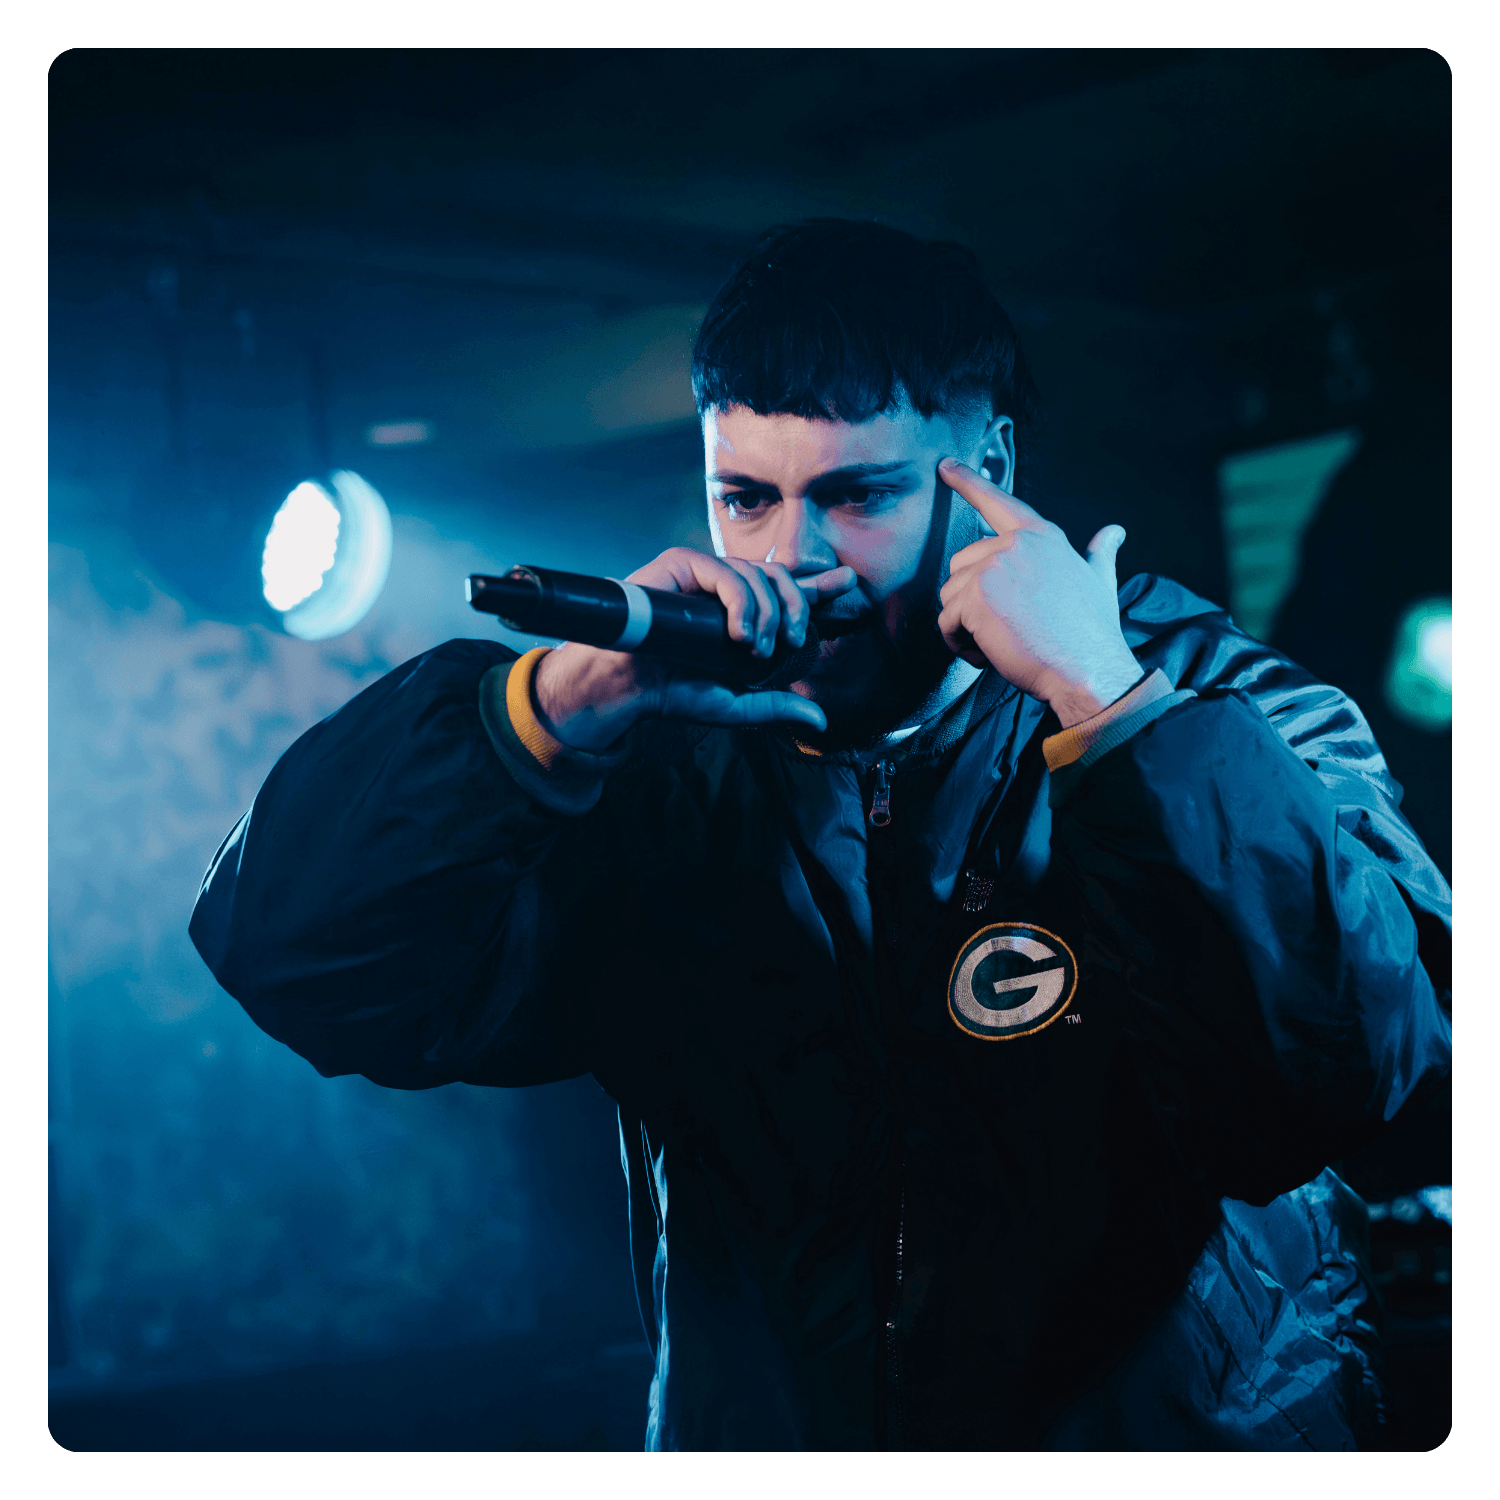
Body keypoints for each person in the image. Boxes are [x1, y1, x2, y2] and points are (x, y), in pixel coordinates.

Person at [190, 220, 1452, 1451]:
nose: (796, 558)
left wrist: (1112, 712)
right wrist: (552, 712)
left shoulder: (1225, 708)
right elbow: (304, 961)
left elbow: (1347, 1083)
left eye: (857, 498)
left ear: (989, 474)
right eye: (745, 497)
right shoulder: (664, 762)